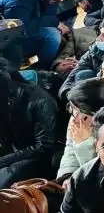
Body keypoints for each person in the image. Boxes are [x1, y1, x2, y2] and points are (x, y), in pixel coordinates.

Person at [0, 0, 76, 69]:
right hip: (8, 37)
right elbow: (18, 28)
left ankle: (43, 66)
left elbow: (49, 16)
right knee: (53, 35)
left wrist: (57, 23)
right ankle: (41, 71)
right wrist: (56, 24)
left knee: (62, 36)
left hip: (20, 30)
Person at [0, 60, 58, 188]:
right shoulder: (5, 99)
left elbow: (43, 148)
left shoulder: (41, 101)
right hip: (11, 152)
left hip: (35, 160)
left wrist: (3, 160)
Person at [57, 78, 104, 182]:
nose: (74, 118)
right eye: (72, 107)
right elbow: (70, 150)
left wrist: (85, 145)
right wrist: (67, 176)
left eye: (78, 111)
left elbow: (101, 176)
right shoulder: (77, 117)